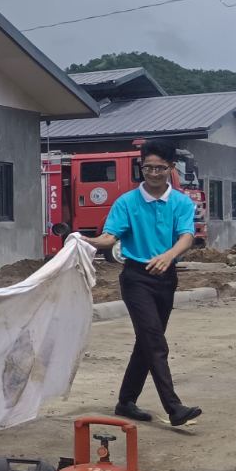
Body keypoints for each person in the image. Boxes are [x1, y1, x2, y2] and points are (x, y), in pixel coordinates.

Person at [88, 138, 203, 429]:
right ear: (142, 167)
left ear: (170, 168)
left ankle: (125, 401)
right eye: (147, 167)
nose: (153, 173)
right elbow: (109, 237)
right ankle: (174, 408)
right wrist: (84, 240)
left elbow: (187, 236)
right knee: (155, 341)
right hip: (136, 278)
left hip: (166, 278)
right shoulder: (126, 202)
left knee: (146, 343)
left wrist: (169, 255)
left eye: (159, 168)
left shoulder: (180, 202)